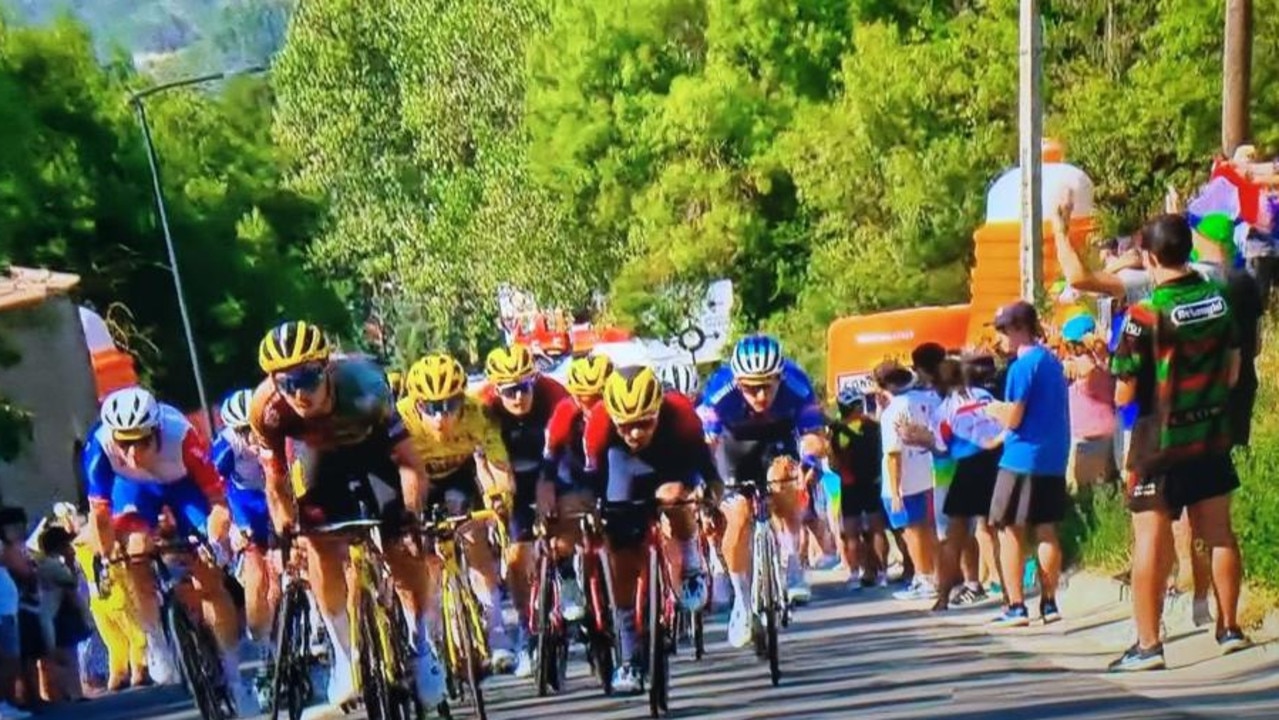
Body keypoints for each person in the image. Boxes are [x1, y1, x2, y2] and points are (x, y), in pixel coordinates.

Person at [249, 321, 443, 711]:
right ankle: (344, 655)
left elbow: (409, 464)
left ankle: (422, 644)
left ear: (327, 369)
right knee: (317, 542)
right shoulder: (267, 409)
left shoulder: (365, 387)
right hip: (321, 459)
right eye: (287, 384)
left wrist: (408, 513)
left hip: (375, 455)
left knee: (399, 546)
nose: (299, 393)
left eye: (307, 378)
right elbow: (276, 482)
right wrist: (286, 527)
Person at [1109, 214, 1249, 672]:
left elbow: (1124, 392)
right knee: (1219, 532)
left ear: (1149, 257)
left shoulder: (1144, 313)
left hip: (1159, 440)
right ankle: (1229, 627)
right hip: (1209, 434)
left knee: (1150, 536)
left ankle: (1148, 645)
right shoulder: (1218, 300)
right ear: (1188, 249)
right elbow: (1232, 372)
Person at [82, 387, 245, 706]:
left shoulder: (182, 435)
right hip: (133, 489)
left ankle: (233, 672)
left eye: (140, 441)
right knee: (135, 553)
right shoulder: (99, 446)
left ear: (156, 431)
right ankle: (156, 641)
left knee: (209, 579)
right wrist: (105, 555)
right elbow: (99, 515)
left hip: (184, 487)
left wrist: (213, 541)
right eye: (123, 442)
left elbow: (218, 504)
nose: (130, 452)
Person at [585, 367, 716, 694]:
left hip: (671, 462)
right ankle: (627, 653)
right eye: (625, 425)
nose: (634, 433)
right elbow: (589, 479)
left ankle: (689, 561)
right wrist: (591, 512)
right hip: (622, 469)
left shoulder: (681, 414)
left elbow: (708, 471)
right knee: (619, 554)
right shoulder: (599, 422)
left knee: (675, 497)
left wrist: (707, 498)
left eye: (644, 422)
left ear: (659, 408)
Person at [699, 335, 826, 649]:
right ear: (738, 382)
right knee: (737, 515)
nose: (759, 394)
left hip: (777, 443)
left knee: (783, 478)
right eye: (750, 387)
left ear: (779, 378)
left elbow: (814, 435)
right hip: (734, 448)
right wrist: (706, 484)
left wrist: (809, 461)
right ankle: (741, 602)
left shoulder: (796, 384)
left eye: (767, 386)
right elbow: (706, 446)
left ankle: (793, 565)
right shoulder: (719, 391)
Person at [397, 352, 516, 673]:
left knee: (473, 537)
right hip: (413, 478)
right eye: (431, 408)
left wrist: (501, 496)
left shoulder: (478, 413)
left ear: (462, 401)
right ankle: (430, 632)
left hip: (457, 478)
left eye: (449, 405)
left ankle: (497, 632)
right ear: (416, 403)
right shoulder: (402, 418)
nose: (441, 417)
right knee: (424, 557)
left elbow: (498, 462)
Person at [478, 343, 568, 678]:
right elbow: (480, 459)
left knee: (565, 527)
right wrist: (493, 494)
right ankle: (529, 631)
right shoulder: (484, 405)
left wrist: (553, 486)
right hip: (511, 474)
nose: (518, 397)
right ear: (496, 389)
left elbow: (568, 450)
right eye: (509, 390)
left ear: (535, 380)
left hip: (554, 467)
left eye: (524, 387)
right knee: (517, 557)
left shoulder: (554, 395)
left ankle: (571, 577)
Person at [985, 301, 1070, 628]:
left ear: (1020, 329)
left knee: (1009, 530)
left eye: (1004, 330)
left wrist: (993, 409)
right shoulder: (1052, 362)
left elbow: (1015, 416)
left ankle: (1016, 605)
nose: (1002, 338)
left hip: (1022, 457)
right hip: (1053, 455)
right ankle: (1049, 602)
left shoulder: (1022, 367)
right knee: (1047, 530)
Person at [210, 389, 279, 699]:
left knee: (279, 576)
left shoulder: (277, 429)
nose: (250, 437)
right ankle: (264, 650)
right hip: (247, 504)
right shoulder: (225, 446)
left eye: (252, 427)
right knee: (255, 572)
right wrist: (232, 528)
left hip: (279, 495)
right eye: (242, 431)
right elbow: (213, 491)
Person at [541, 354, 614, 623]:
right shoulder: (565, 413)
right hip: (572, 470)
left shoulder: (620, 409)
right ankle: (568, 576)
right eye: (584, 397)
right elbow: (549, 460)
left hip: (609, 469)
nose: (591, 404)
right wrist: (549, 494)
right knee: (564, 514)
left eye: (599, 396)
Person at [873, 360, 940, 603]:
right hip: (929, 472)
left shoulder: (894, 411)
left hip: (905, 481)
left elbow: (893, 454)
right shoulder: (927, 399)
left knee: (911, 532)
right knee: (928, 530)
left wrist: (896, 491)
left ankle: (924, 577)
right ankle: (934, 575)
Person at [827, 386, 888, 589]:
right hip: (873, 481)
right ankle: (881, 573)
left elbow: (834, 462)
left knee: (851, 533)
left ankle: (855, 574)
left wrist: (842, 472)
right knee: (876, 529)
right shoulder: (873, 426)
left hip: (849, 483)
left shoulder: (838, 431)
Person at [1060, 314, 1117, 492]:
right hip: (1109, 433)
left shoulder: (1077, 365)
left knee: (1079, 491)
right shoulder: (1109, 362)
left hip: (1083, 436)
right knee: (1104, 488)